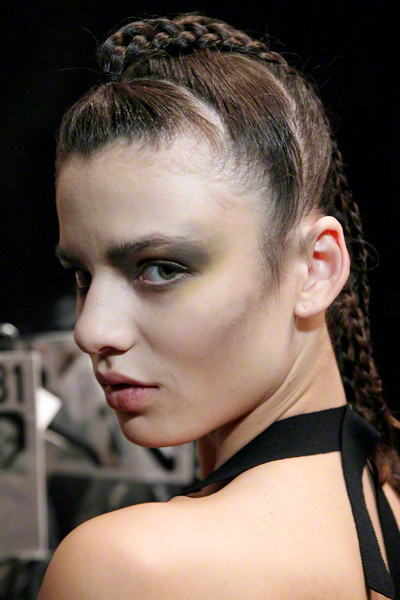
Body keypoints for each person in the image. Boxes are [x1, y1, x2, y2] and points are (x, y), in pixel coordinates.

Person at [38, 14, 400, 600]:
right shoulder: (386, 499)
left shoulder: (130, 568)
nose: (91, 329)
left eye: (162, 268)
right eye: (82, 275)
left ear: (315, 268)